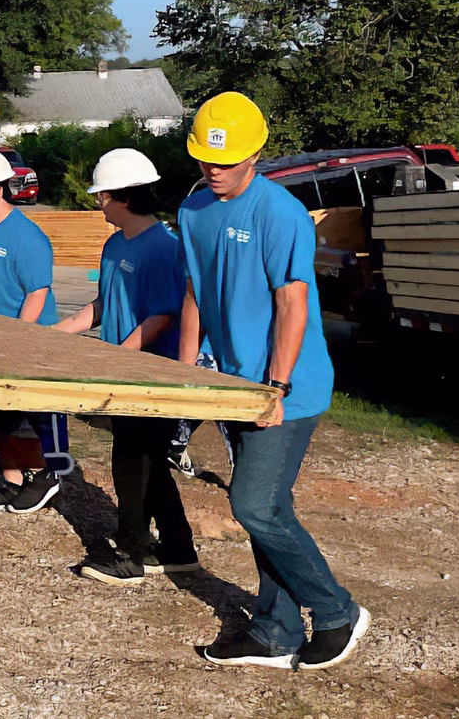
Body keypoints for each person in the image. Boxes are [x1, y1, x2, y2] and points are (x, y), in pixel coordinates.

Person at [175, 92, 370, 669]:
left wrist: (275, 388)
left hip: (287, 386)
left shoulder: (278, 212)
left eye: (227, 160)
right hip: (232, 382)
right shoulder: (193, 211)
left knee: (255, 506)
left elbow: (292, 303)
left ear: (256, 153)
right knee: (270, 507)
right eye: (206, 159)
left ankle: (335, 612)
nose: (214, 169)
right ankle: (276, 629)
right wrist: (185, 370)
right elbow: (194, 291)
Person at [57, 148, 200, 586]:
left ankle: (132, 553)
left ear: (122, 197)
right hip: (122, 365)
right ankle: (177, 549)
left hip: (148, 372)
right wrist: (57, 333)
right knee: (152, 461)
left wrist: (116, 357)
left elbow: (161, 317)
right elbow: (104, 304)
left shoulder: (163, 249)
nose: (98, 202)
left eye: (102, 195)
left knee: (131, 460)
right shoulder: (115, 243)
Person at [0, 148, 75, 514]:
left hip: (29, 337)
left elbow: (38, 292)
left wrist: (18, 337)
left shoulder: (28, 238)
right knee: (0, 410)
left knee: (42, 409)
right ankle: (12, 481)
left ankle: (52, 474)